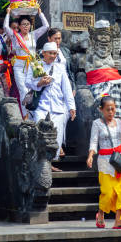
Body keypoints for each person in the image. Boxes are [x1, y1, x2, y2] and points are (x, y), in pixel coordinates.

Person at [25, 41, 76, 171]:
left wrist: (71, 107)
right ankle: (40, 162)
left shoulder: (60, 68)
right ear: (44, 53)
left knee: (57, 136)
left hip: (57, 107)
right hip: (41, 107)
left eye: (55, 53)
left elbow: (67, 89)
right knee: (39, 133)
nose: (53, 56)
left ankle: (50, 163)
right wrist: (39, 83)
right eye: (50, 53)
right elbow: (27, 82)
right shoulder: (35, 65)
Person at [87, 95, 121, 230]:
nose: (111, 113)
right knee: (107, 192)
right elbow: (94, 141)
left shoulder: (119, 122)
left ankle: (118, 221)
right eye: (108, 110)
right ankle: (101, 213)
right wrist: (90, 156)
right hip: (105, 162)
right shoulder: (97, 123)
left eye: (113, 109)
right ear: (101, 109)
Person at [4, 7, 49, 118]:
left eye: (27, 24)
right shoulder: (15, 36)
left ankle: (34, 113)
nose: (25, 26)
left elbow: (46, 26)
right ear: (19, 26)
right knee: (23, 90)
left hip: (32, 67)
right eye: (23, 24)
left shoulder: (34, 35)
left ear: (30, 25)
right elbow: (5, 27)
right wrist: (8, 13)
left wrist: (40, 13)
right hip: (19, 66)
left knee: (32, 89)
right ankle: (26, 115)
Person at [47, 27, 75, 157]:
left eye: (59, 38)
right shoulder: (46, 52)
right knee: (57, 117)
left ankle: (60, 144)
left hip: (66, 86)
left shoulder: (65, 51)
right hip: (53, 88)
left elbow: (70, 71)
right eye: (55, 38)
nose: (58, 41)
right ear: (49, 39)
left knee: (65, 116)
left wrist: (73, 87)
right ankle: (59, 146)